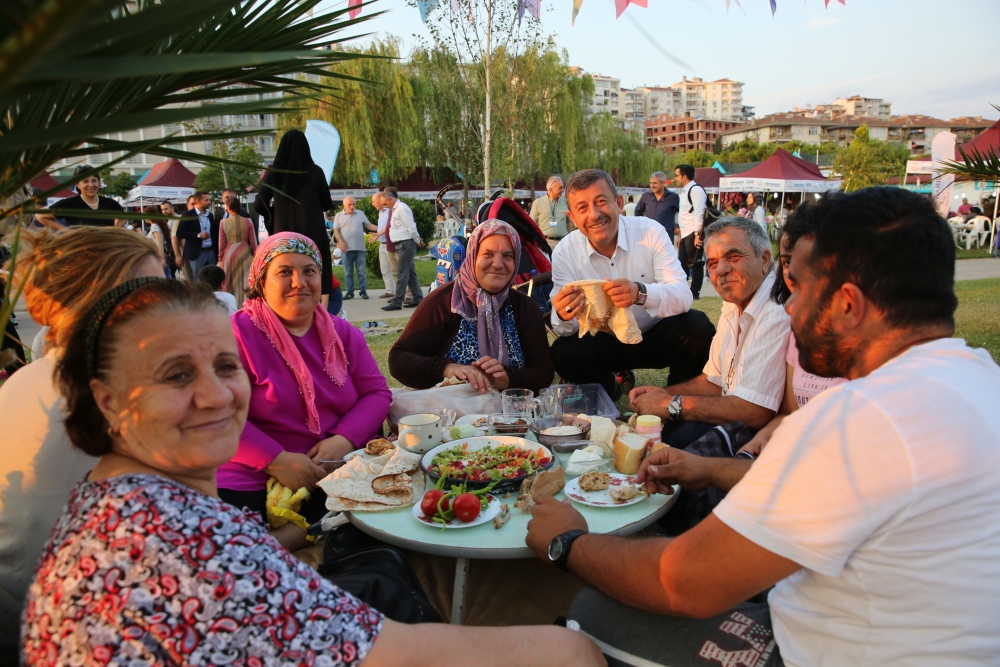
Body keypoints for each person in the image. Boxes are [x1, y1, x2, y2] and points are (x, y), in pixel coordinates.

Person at [525, 187, 1000, 667]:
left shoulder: (862, 420)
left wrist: (571, 541)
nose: (788, 307)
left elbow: (689, 580)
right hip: (880, 625)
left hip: (815, 651)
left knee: (586, 612)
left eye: (798, 287)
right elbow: (822, 486)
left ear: (850, 304)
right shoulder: (978, 377)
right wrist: (707, 470)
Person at [20, 279, 603, 667]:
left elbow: (376, 391)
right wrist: (567, 649)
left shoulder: (117, 499)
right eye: (176, 375)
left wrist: (340, 483)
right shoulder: (185, 543)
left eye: (226, 366)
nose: (216, 394)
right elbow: (390, 653)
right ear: (107, 399)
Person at [0, 227, 162, 663]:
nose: (164, 309)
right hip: (69, 637)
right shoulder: (111, 394)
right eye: (144, 295)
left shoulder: (30, 377)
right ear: (94, 298)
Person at [218, 232, 391, 550]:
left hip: (332, 467)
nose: (300, 282)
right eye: (285, 272)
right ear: (261, 281)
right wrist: (276, 460)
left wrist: (343, 439)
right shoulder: (233, 335)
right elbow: (215, 415)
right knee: (230, 548)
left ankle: (300, 534)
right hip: (252, 470)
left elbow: (376, 393)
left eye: (309, 271)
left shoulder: (343, 334)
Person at [549, 169, 715, 400]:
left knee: (698, 327)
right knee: (563, 352)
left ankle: (674, 402)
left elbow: (682, 295)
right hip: (606, 342)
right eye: (582, 208)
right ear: (572, 217)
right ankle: (608, 391)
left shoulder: (650, 232)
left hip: (655, 334)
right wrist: (562, 314)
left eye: (601, 202)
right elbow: (565, 329)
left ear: (618, 203)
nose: (594, 215)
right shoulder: (565, 253)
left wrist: (641, 293)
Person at [630, 216, 790, 448]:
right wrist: (662, 393)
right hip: (739, 421)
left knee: (676, 442)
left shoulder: (776, 310)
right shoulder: (733, 305)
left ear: (765, 259)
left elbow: (754, 412)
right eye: (712, 263)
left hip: (761, 439)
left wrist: (669, 404)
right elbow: (714, 382)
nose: (721, 270)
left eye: (733, 257)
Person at [389, 219, 554, 393]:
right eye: (488, 254)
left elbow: (543, 373)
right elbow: (399, 360)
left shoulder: (525, 308)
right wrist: (446, 369)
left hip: (511, 418)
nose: (498, 264)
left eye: (507, 255)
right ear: (472, 256)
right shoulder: (444, 302)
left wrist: (507, 379)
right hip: (451, 414)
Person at [253, 129, 335, 305]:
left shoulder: (275, 174)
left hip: (284, 238)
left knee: (285, 274)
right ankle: (321, 315)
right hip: (312, 235)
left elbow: (259, 203)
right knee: (316, 273)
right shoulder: (315, 172)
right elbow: (327, 203)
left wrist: (276, 217)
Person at [34, 166, 125, 229]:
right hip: (81, 251)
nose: (91, 185)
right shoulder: (70, 203)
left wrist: (115, 230)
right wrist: (65, 231)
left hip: (107, 251)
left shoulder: (109, 203)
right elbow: (41, 216)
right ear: (77, 184)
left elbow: (123, 217)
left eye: (94, 181)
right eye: (85, 181)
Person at [381, 187, 424, 312]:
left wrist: (417, 240)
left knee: (402, 274)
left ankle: (397, 301)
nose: (384, 205)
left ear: (391, 199)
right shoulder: (395, 209)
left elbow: (411, 227)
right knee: (410, 274)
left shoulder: (402, 209)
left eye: (385, 203)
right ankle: (418, 298)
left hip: (406, 244)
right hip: (401, 244)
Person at [217, 194, 258, 309]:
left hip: (229, 254)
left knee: (229, 280)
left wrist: (220, 257)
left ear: (228, 208)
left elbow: (221, 244)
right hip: (245, 253)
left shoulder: (223, 222)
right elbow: (253, 242)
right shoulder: (248, 221)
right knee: (245, 281)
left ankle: (232, 307)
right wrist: (256, 255)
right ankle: (246, 306)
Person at [334, 196, 377, 300]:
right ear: (344, 205)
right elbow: (336, 231)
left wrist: (382, 228)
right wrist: (341, 243)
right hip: (346, 249)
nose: (352, 206)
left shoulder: (360, 213)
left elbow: (368, 225)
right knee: (348, 272)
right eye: (349, 204)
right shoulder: (339, 216)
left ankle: (363, 291)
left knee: (361, 272)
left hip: (360, 248)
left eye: (354, 204)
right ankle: (349, 292)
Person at [674, 164, 706, 299]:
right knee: (681, 263)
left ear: (684, 176)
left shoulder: (695, 189)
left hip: (694, 232)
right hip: (686, 233)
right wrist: (680, 235)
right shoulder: (685, 191)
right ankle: (682, 290)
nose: (675, 178)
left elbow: (699, 212)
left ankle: (695, 292)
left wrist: (698, 235)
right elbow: (684, 215)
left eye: (676, 175)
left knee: (696, 262)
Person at [175, 190, 219, 282]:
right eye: (206, 200)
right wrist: (197, 235)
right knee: (198, 280)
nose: (209, 202)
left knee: (212, 279)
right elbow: (180, 232)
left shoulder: (210, 215)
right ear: (198, 201)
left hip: (211, 251)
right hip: (197, 253)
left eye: (209, 200)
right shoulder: (188, 214)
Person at [635, 171, 680, 239]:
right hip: (648, 235)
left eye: (655, 183)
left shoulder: (673, 197)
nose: (652, 186)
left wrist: (677, 226)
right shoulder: (645, 196)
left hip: (666, 236)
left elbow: (682, 213)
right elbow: (638, 211)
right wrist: (641, 225)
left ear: (663, 183)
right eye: (651, 183)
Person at [528, 176, 570, 249]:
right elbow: (531, 224)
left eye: (563, 187)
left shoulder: (565, 202)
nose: (563, 190)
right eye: (560, 188)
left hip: (563, 242)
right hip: (545, 243)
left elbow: (569, 222)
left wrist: (569, 238)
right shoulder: (538, 203)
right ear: (550, 190)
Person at [371, 192, 396, 298]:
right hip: (382, 243)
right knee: (384, 269)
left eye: (373, 201)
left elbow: (388, 226)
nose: (373, 204)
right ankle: (390, 291)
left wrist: (378, 234)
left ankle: (399, 292)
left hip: (390, 244)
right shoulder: (380, 212)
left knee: (394, 269)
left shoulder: (389, 211)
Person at [144, 205, 177, 279]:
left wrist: (161, 259)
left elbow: (160, 242)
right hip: (165, 256)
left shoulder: (154, 226)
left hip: (161, 256)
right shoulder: (160, 224)